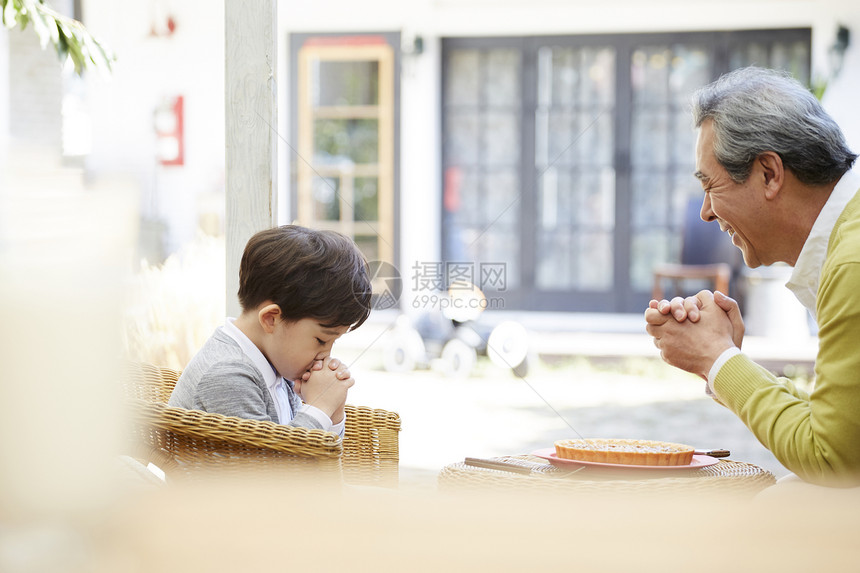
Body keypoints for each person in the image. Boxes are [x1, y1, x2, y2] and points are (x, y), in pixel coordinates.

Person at [644, 66, 860, 487]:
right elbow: (841, 425)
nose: (706, 211)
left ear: (769, 173)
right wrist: (726, 362)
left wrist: (717, 358)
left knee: (788, 504)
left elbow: (834, 457)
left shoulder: (852, 262)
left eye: (711, 185)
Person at [169, 225, 372, 437]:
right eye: (321, 340)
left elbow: (320, 467)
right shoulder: (227, 376)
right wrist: (319, 409)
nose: (326, 356)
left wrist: (333, 413)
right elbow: (274, 467)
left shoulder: (276, 362)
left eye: (333, 342)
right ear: (271, 319)